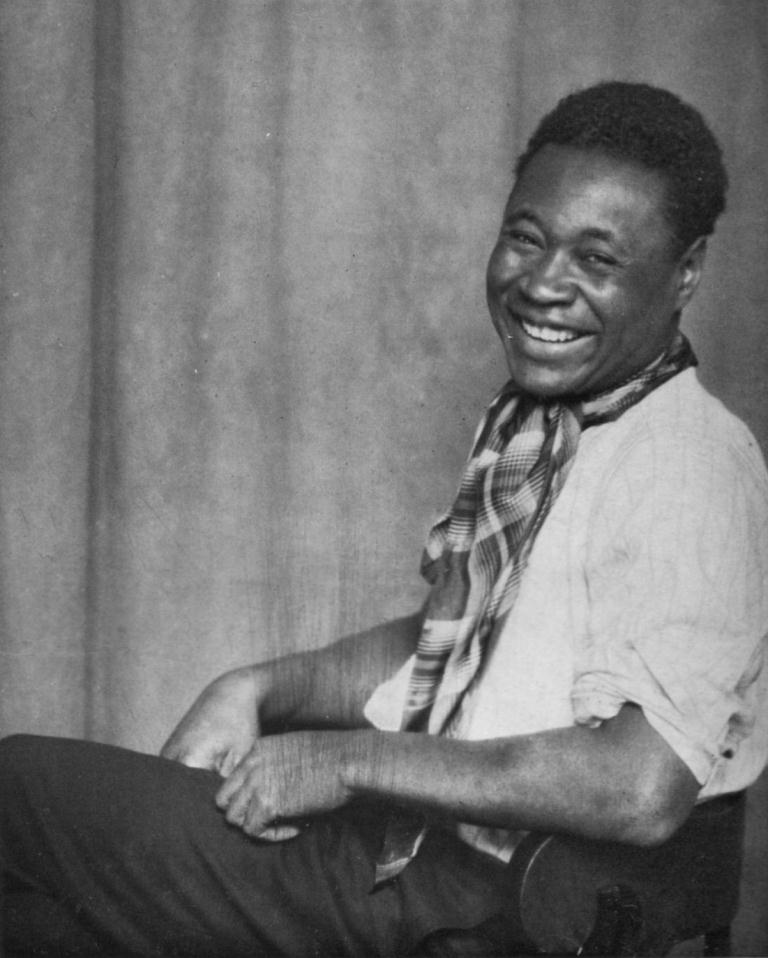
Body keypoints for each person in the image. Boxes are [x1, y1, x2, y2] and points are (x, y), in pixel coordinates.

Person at [2, 80, 767, 957]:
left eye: (597, 259)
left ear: (686, 274)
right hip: (420, 853)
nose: (543, 284)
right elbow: (453, 641)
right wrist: (258, 687)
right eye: (526, 238)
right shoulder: (542, 430)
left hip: (484, 892)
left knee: (15, 788)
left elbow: (641, 787)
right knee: (38, 926)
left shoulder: (688, 464)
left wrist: (344, 761)